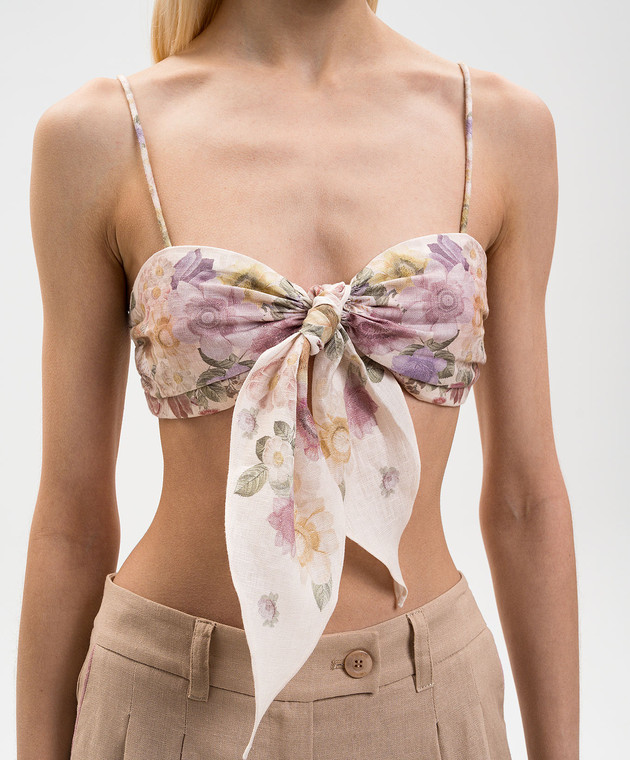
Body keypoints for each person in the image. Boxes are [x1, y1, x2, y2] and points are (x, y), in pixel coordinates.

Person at [16, 1, 579, 758]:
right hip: (167, 709)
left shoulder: (499, 126)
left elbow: (526, 500)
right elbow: (71, 521)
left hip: (431, 711)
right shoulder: (99, 134)